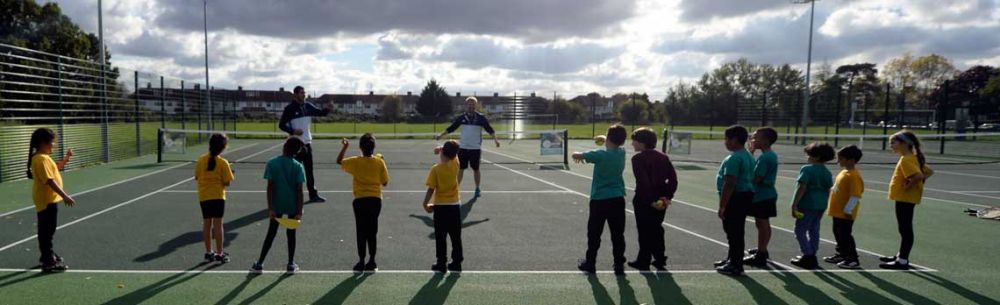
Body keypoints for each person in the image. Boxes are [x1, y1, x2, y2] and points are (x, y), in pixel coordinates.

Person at [572, 124, 628, 275]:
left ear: (608, 138)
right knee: (617, 234)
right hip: (617, 198)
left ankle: (590, 263)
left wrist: (577, 153)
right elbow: (615, 146)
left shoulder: (599, 155)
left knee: (594, 233)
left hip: (600, 200)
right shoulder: (622, 152)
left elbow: (576, 155)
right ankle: (619, 265)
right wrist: (605, 139)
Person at [251, 137, 307, 275]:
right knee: (291, 234)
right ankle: (290, 264)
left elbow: (270, 187)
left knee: (271, 233)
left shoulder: (272, 163)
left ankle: (259, 264)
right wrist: (300, 210)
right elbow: (299, 190)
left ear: (284, 146)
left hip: (277, 205)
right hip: (293, 205)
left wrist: (270, 207)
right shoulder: (298, 166)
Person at [880, 130, 933, 270]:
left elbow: (919, 175)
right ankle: (901, 255)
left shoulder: (906, 159)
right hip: (906, 198)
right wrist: (915, 183)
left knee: (905, 229)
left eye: (894, 142)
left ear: (904, 144)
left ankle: (902, 260)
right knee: (904, 228)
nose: (891, 145)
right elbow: (928, 172)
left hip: (905, 198)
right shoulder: (912, 158)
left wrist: (909, 185)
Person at [627, 127, 678, 271]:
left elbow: (643, 182)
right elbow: (673, 180)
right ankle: (660, 258)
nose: (632, 144)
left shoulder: (637, 159)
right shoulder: (663, 157)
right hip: (661, 199)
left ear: (642, 143)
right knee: (656, 228)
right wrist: (667, 197)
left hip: (644, 200)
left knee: (644, 230)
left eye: (634, 141)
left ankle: (644, 260)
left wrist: (651, 201)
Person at [337, 133, 389, 273]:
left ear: (360, 147)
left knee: (361, 231)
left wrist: (345, 147)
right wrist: (381, 161)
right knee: (372, 231)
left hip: (360, 200)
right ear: (374, 147)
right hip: (375, 200)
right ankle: (372, 261)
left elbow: (339, 161)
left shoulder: (355, 161)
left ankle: (361, 261)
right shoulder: (379, 162)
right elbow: (385, 182)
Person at [27, 128, 75, 272]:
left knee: (49, 229)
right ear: (43, 143)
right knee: (46, 231)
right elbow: (49, 180)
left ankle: (47, 255)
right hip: (46, 200)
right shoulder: (40, 159)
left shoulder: (44, 158)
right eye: (52, 142)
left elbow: (54, 169)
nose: (53, 145)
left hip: (49, 200)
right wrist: (65, 195)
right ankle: (48, 262)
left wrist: (66, 159)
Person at [435, 96, 500, 198]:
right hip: (463, 148)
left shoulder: (481, 118)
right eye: (469, 104)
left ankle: (477, 188)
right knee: (460, 169)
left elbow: (490, 129)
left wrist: (496, 140)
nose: (471, 106)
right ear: (467, 105)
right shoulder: (461, 117)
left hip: (475, 148)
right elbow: (452, 128)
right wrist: (441, 135)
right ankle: (456, 189)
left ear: (475, 105)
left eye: (473, 104)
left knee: (476, 169)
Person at [278, 85, 332, 203]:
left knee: (309, 172)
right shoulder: (289, 109)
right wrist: (293, 131)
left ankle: (313, 195)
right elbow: (281, 125)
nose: (304, 94)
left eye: (304, 92)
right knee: (293, 173)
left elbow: (321, 113)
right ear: (295, 94)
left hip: (307, 145)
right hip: (294, 146)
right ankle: (290, 196)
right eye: (302, 93)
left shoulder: (308, 106)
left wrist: (328, 109)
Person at [713, 125, 754, 276]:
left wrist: (723, 205)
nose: (725, 142)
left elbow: (730, 183)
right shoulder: (747, 155)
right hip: (744, 195)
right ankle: (732, 259)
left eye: (727, 139)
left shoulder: (734, 158)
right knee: (735, 231)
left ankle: (736, 264)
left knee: (734, 232)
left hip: (736, 197)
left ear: (735, 140)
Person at [789, 142, 835, 269]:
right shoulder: (826, 172)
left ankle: (808, 255)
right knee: (814, 228)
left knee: (800, 230)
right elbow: (828, 189)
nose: (807, 157)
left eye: (809, 155)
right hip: (821, 204)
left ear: (816, 157)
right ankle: (812, 252)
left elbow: (802, 187)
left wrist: (794, 204)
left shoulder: (807, 169)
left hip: (808, 203)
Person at [422, 140, 463, 273]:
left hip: (440, 207)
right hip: (455, 206)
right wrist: (442, 149)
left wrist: (425, 203)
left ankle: (441, 263)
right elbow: (453, 153)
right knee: (455, 236)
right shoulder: (455, 163)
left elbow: (431, 189)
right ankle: (457, 262)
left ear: (443, 152)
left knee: (441, 237)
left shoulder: (436, 169)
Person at [194, 133, 235, 264]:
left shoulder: (201, 160)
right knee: (218, 225)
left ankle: (208, 252)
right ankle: (220, 253)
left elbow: (197, 177)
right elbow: (227, 182)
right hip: (218, 196)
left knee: (207, 224)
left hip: (204, 196)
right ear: (223, 148)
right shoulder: (223, 163)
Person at [824, 145, 864, 269]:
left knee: (845, 235)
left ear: (851, 160)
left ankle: (852, 259)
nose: (838, 161)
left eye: (841, 159)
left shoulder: (853, 176)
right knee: (838, 233)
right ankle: (841, 254)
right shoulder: (844, 172)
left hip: (845, 213)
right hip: (836, 211)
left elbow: (855, 195)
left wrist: (848, 209)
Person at [743, 127, 779, 267]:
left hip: (763, 196)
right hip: (764, 195)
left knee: (762, 223)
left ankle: (761, 254)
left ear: (765, 140)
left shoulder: (765, 157)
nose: (753, 139)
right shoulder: (768, 155)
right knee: (762, 223)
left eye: (756, 137)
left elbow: (756, 178)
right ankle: (762, 249)